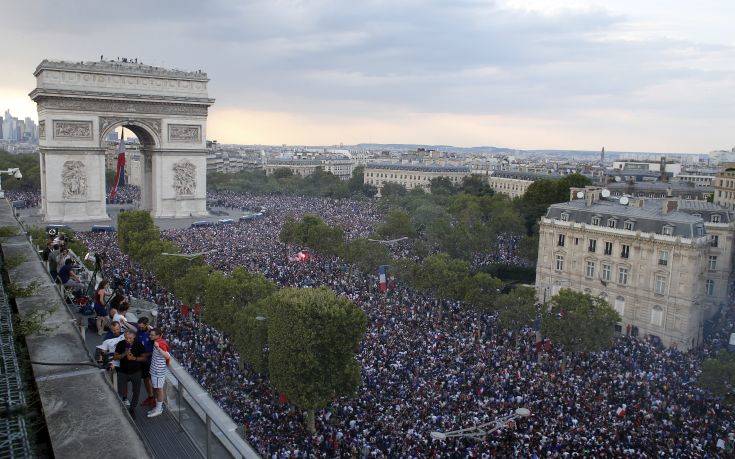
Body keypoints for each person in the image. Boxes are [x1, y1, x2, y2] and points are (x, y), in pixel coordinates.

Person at [113, 330, 148, 418]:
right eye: (126, 338)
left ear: (134, 337)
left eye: (130, 338)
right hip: (123, 371)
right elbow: (115, 356)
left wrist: (134, 358)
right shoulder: (121, 344)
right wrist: (124, 354)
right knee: (121, 390)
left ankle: (132, 408)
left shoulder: (139, 344)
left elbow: (144, 358)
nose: (127, 340)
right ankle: (122, 406)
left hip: (136, 372)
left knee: (136, 391)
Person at [147, 328, 170, 418]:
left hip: (158, 371)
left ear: (158, 336)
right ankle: (157, 407)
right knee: (156, 388)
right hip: (154, 369)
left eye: (152, 335)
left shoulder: (160, 343)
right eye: (150, 334)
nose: (150, 336)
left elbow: (167, 355)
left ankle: (159, 409)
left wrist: (157, 347)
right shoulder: (158, 340)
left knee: (159, 389)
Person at [136, 317, 156, 407]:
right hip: (142, 360)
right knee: (146, 379)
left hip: (150, 361)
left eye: (142, 327)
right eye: (139, 327)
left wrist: (146, 355)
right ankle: (150, 397)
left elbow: (157, 348)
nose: (140, 328)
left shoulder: (152, 334)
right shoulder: (139, 331)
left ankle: (157, 400)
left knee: (153, 381)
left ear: (147, 325)